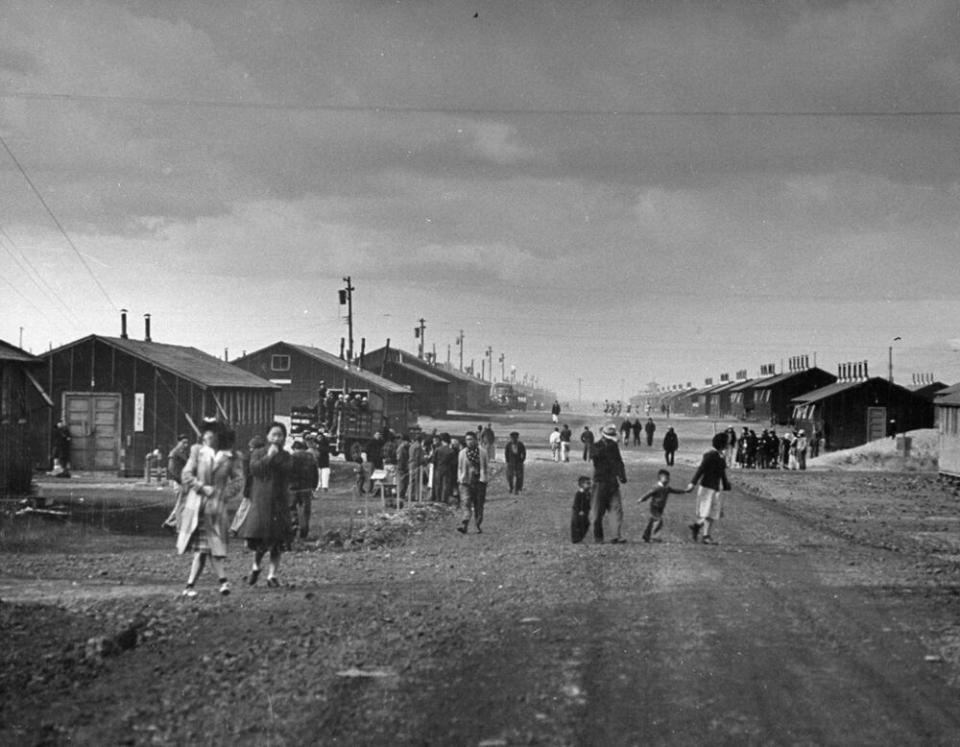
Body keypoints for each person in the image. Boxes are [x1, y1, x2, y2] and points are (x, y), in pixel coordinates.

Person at [177, 421, 244, 597]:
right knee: (206, 547)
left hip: (216, 507)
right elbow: (186, 474)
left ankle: (191, 586)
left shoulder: (232, 456)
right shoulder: (197, 451)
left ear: (218, 436)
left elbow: (238, 481)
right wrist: (201, 487)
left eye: (210, 432)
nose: (205, 435)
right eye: (205, 432)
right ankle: (220, 582)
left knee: (209, 547)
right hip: (198, 506)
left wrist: (222, 494)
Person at [237, 422, 293, 587]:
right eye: (274, 434)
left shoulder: (287, 456)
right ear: (267, 436)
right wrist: (269, 456)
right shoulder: (258, 453)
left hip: (279, 502)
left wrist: (275, 457)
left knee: (277, 542)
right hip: (262, 501)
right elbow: (255, 469)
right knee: (260, 541)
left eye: (280, 435)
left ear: (284, 438)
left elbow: (287, 470)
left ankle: (272, 575)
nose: (277, 438)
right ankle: (255, 567)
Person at [686, 432, 731, 545]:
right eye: (727, 441)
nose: (729, 443)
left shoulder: (721, 457)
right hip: (707, 488)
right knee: (706, 512)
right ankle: (701, 531)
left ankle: (704, 533)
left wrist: (726, 485)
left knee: (713, 513)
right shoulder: (710, 455)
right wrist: (692, 483)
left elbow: (722, 473)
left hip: (716, 488)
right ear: (722, 443)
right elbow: (701, 469)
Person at [589, 423, 627, 544]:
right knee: (597, 512)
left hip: (612, 482)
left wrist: (622, 475)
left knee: (616, 509)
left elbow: (619, 461)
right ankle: (598, 537)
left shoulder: (614, 446)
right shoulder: (595, 446)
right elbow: (594, 458)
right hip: (600, 483)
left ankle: (616, 536)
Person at [638, 468, 690, 542]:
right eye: (666, 478)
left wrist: (684, 491)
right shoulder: (656, 487)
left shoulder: (667, 488)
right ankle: (655, 537)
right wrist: (642, 499)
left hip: (661, 507)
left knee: (653, 521)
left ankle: (646, 535)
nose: (667, 480)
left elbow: (675, 490)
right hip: (654, 507)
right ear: (660, 477)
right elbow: (649, 494)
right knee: (659, 520)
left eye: (668, 478)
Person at [456, 431, 488, 534]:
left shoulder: (482, 452)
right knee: (465, 502)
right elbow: (460, 468)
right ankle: (464, 523)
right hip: (465, 482)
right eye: (467, 440)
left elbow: (485, 467)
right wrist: (460, 478)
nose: (469, 442)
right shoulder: (462, 453)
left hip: (479, 482)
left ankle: (477, 524)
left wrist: (484, 478)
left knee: (479, 504)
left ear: (475, 440)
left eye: (470, 439)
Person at [288, 439, 318, 540]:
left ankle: (294, 523)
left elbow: (288, 472)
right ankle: (304, 530)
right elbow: (315, 472)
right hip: (306, 487)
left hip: (293, 487)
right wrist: (314, 485)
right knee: (305, 509)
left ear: (294, 448)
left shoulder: (292, 457)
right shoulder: (310, 457)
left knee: (291, 507)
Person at [162, 434, 191, 530]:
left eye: (187, 443)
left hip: (184, 481)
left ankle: (170, 523)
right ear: (178, 442)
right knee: (181, 504)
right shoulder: (174, 453)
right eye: (183, 442)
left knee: (182, 504)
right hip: (179, 482)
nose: (185, 445)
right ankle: (175, 525)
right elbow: (171, 468)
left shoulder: (184, 453)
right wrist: (179, 480)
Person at [570, 475, 592, 543]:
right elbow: (577, 504)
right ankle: (576, 538)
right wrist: (580, 510)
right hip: (578, 512)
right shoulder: (579, 493)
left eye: (590, 483)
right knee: (577, 524)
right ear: (582, 485)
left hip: (585, 512)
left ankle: (580, 537)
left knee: (586, 524)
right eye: (588, 483)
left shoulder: (588, 493)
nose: (589, 485)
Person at [396, 432, 411, 503]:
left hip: (404, 468)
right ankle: (400, 496)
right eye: (408, 442)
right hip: (402, 468)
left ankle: (402, 496)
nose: (409, 443)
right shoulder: (401, 449)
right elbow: (400, 459)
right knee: (402, 483)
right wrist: (402, 468)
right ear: (404, 441)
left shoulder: (405, 448)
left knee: (405, 483)